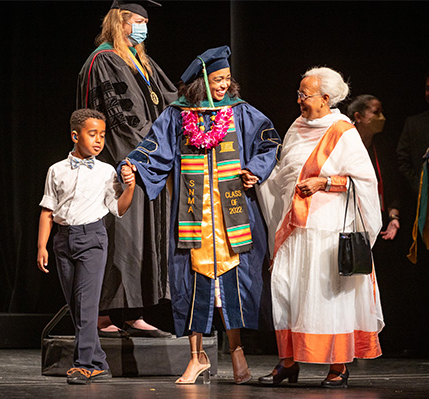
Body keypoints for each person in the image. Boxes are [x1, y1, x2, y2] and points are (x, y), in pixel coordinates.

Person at [119, 46, 281, 384]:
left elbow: (270, 143)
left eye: (226, 79)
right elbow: (152, 148)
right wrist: (132, 165)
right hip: (193, 215)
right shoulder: (177, 116)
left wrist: (255, 169)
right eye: (218, 80)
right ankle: (197, 357)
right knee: (192, 286)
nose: (224, 85)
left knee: (235, 286)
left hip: (233, 216)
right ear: (202, 82)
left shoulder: (240, 113)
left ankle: (237, 353)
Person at [258, 67, 384, 388]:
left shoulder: (343, 131)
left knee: (327, 296)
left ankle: (338, 366)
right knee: (287, 292)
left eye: (305, 95)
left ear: (326, 99)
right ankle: (288, 363)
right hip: (294, 227)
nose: (299, 100)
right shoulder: (297, 127)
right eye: (299, 94)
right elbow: (285, 172)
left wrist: (325, 182)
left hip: (327, 232)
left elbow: (363, 182)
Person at [76, 0, 177, 338]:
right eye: (138, 20)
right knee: (121, 237)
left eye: (146, 21)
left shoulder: (141, 61)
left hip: (142, 160)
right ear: (120, 22)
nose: (143, 27)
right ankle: (105, 317)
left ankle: (133, 313)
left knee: (136, 241)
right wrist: (147, 152)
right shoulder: (105, 60)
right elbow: (121, 117)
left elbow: (170, 97)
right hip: (119, 163)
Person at [36, 109, 135, 384]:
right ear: (75, 135)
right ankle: (99, 362)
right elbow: (47, 210)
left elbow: (118, 208)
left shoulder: (106, 171)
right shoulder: (56, 170)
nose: (98, 140)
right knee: (76, 307)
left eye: (102, 135)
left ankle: (84, 365)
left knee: (87, 306)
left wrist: (130, 188)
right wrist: (42, 246)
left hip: (92, 239)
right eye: (92, 134)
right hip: (62, 240)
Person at [347, 95, 400, 241]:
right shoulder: (344, 145)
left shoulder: (382, 147)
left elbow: (390, 184)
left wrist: (393, 218)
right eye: (376, 112)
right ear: (358, 116)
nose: (381, 117)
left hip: (376, 218)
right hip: (347, 218)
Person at [396, 72, 429, 199]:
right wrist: (419, 186)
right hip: (422, 201)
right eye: (427, 88)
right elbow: (403, 159)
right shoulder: (414, 123)